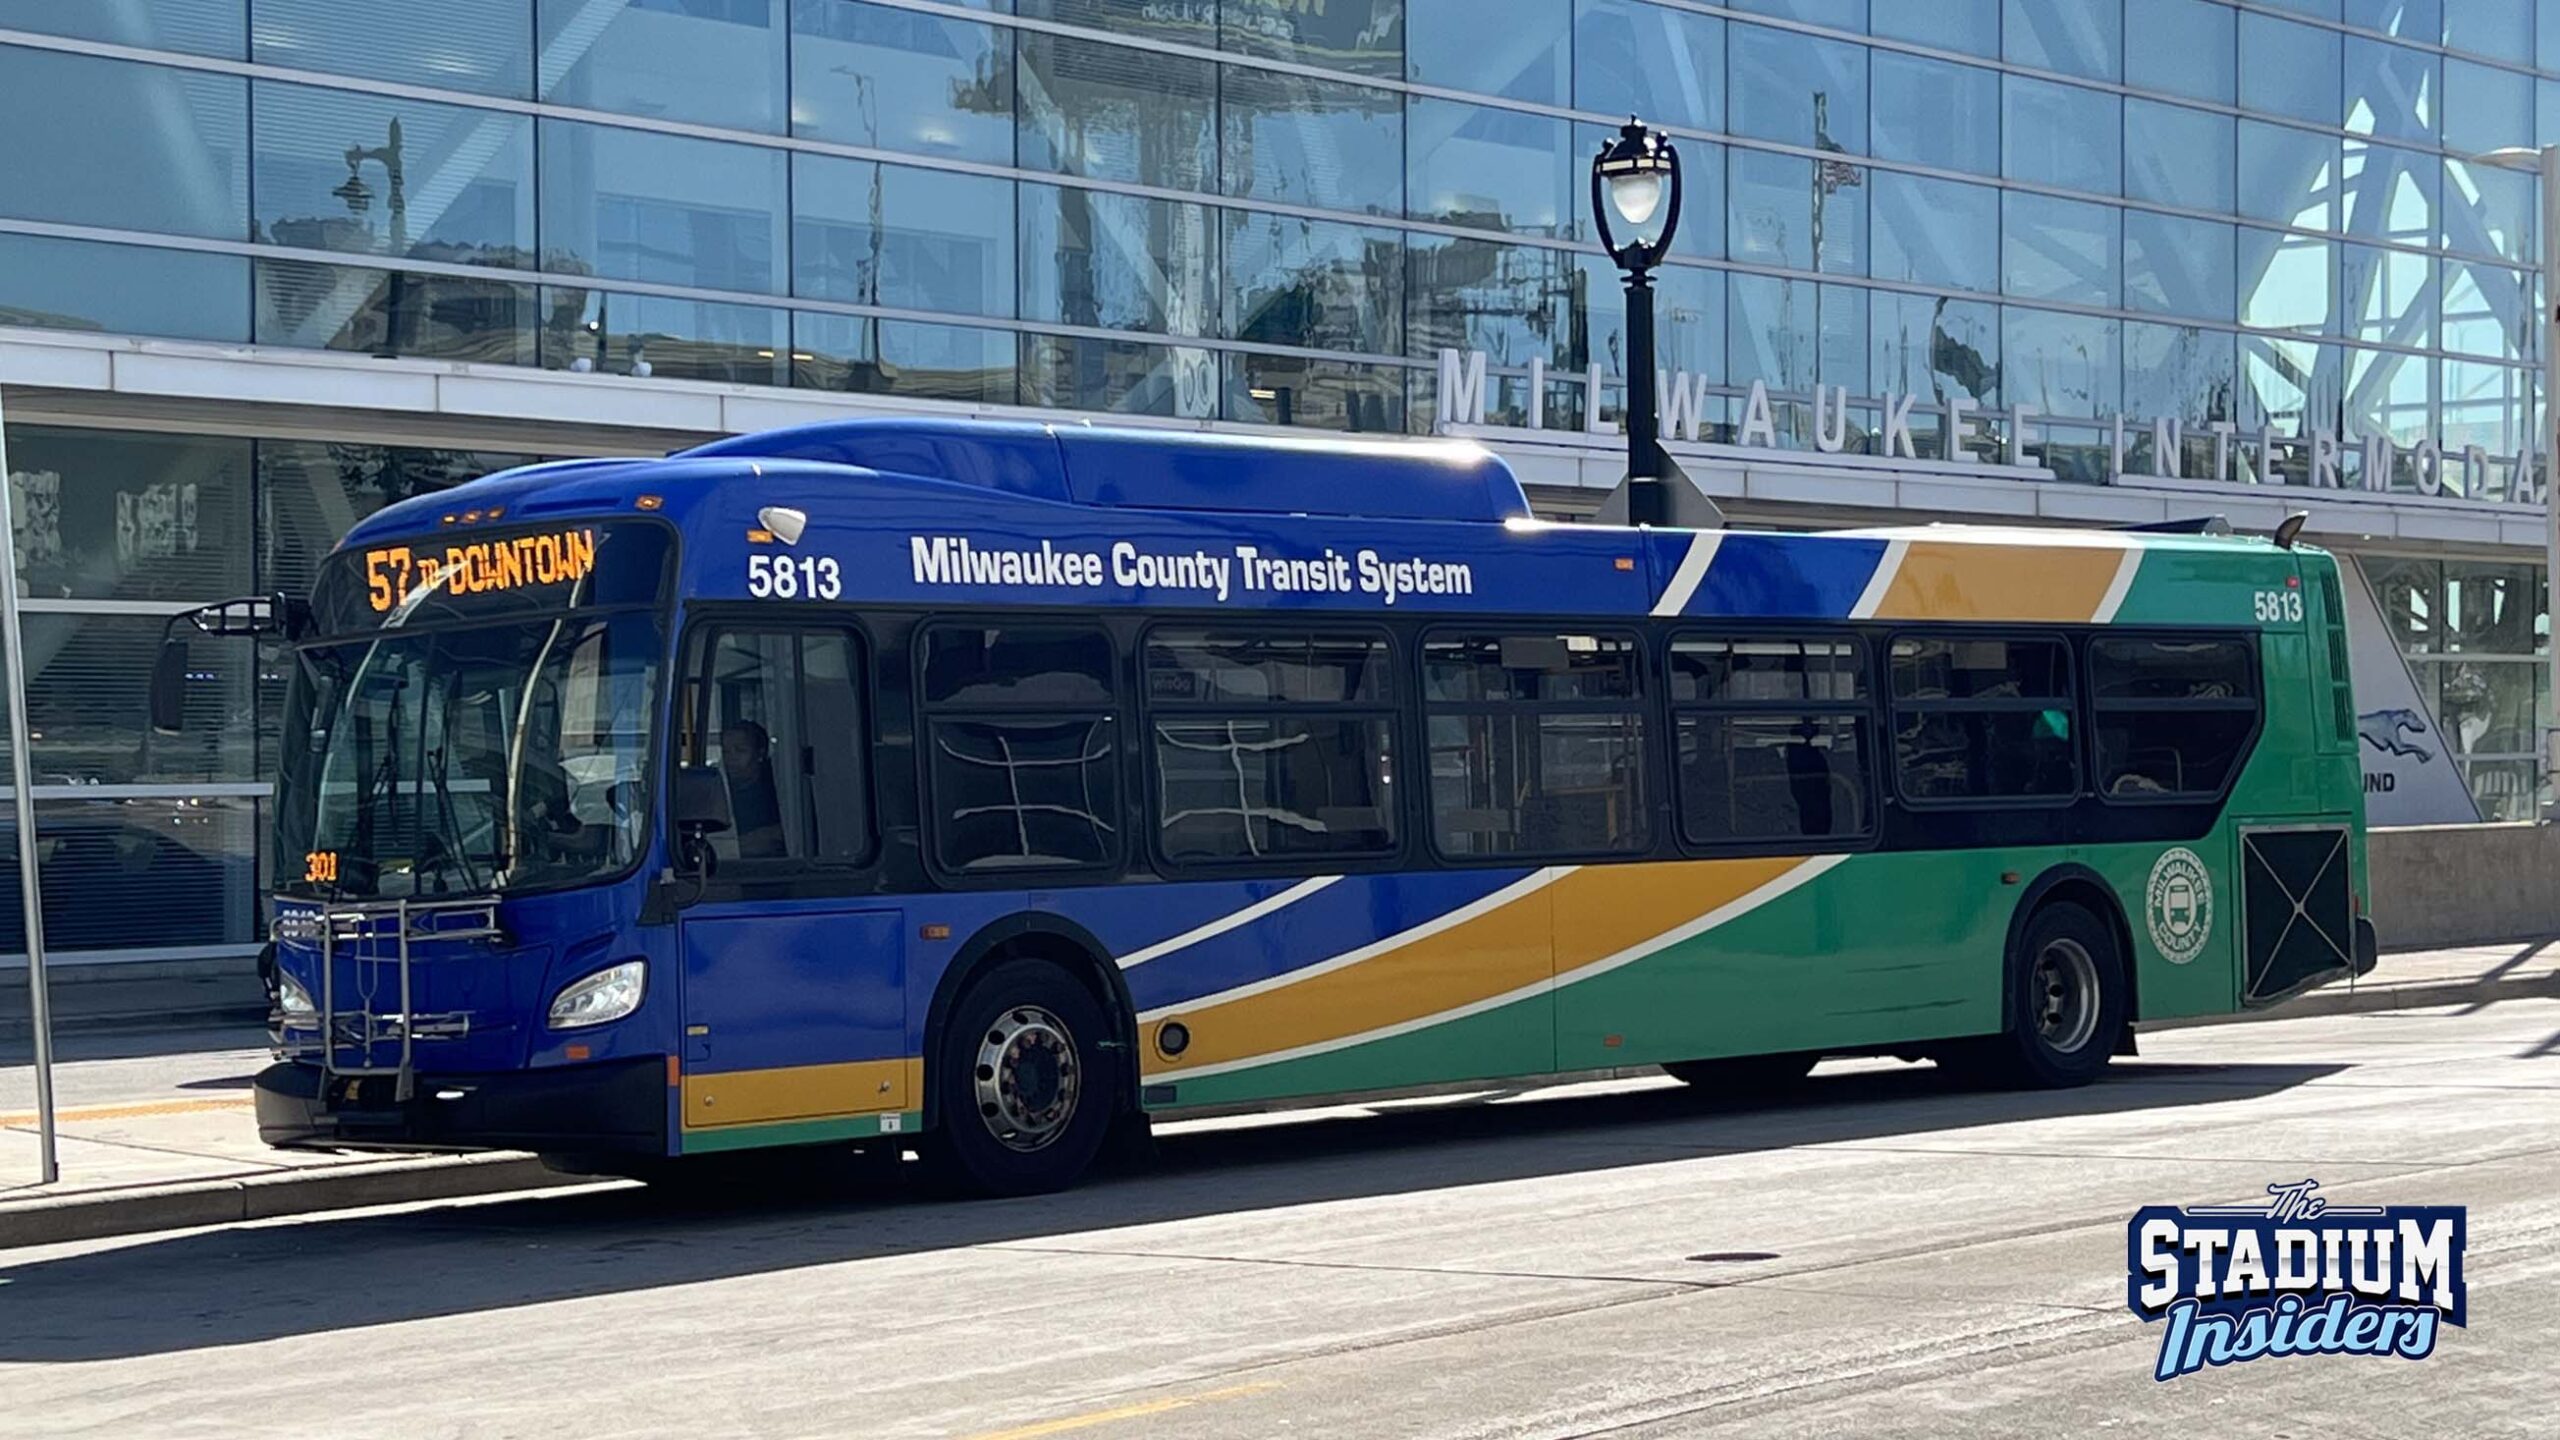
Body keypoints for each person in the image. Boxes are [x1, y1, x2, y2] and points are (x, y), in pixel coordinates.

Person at [719, 719, 787, 859]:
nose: (731, 758)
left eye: (740, 750)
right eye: (726, 751)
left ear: (760, 753)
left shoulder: (781, 791)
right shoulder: (717, 791)